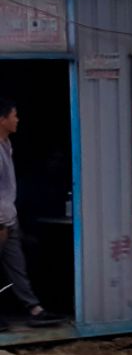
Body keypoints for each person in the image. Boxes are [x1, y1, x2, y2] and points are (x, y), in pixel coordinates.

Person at [0, 98, 62, 327]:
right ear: (2, 119)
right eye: (14, 115)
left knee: (17, 265)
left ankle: (34, 309)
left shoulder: (6, 145)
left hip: (9, 217)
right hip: (1, 220)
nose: (18, 119)